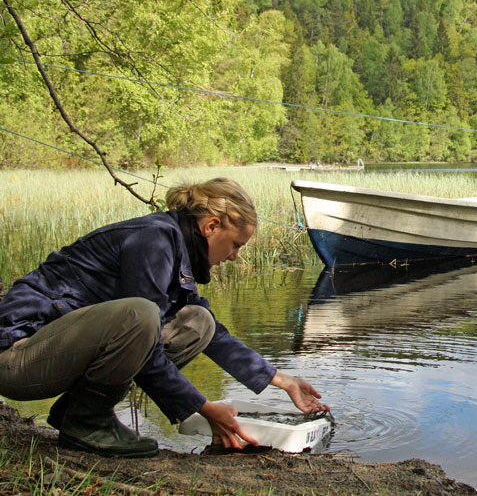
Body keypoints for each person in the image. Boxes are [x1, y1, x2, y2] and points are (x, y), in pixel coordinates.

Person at [0, 177, 328, 458]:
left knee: (198, 321)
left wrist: (284, 381)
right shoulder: (154, 241)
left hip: (53, 355)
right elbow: (145, 339)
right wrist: (203, 407)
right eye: (235, 245)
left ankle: (80, 411)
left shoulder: (174, 247)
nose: (233, 257)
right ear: (212, 226)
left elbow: (214, 337)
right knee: (141, 315)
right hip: (17, 359)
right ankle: (87, 422)